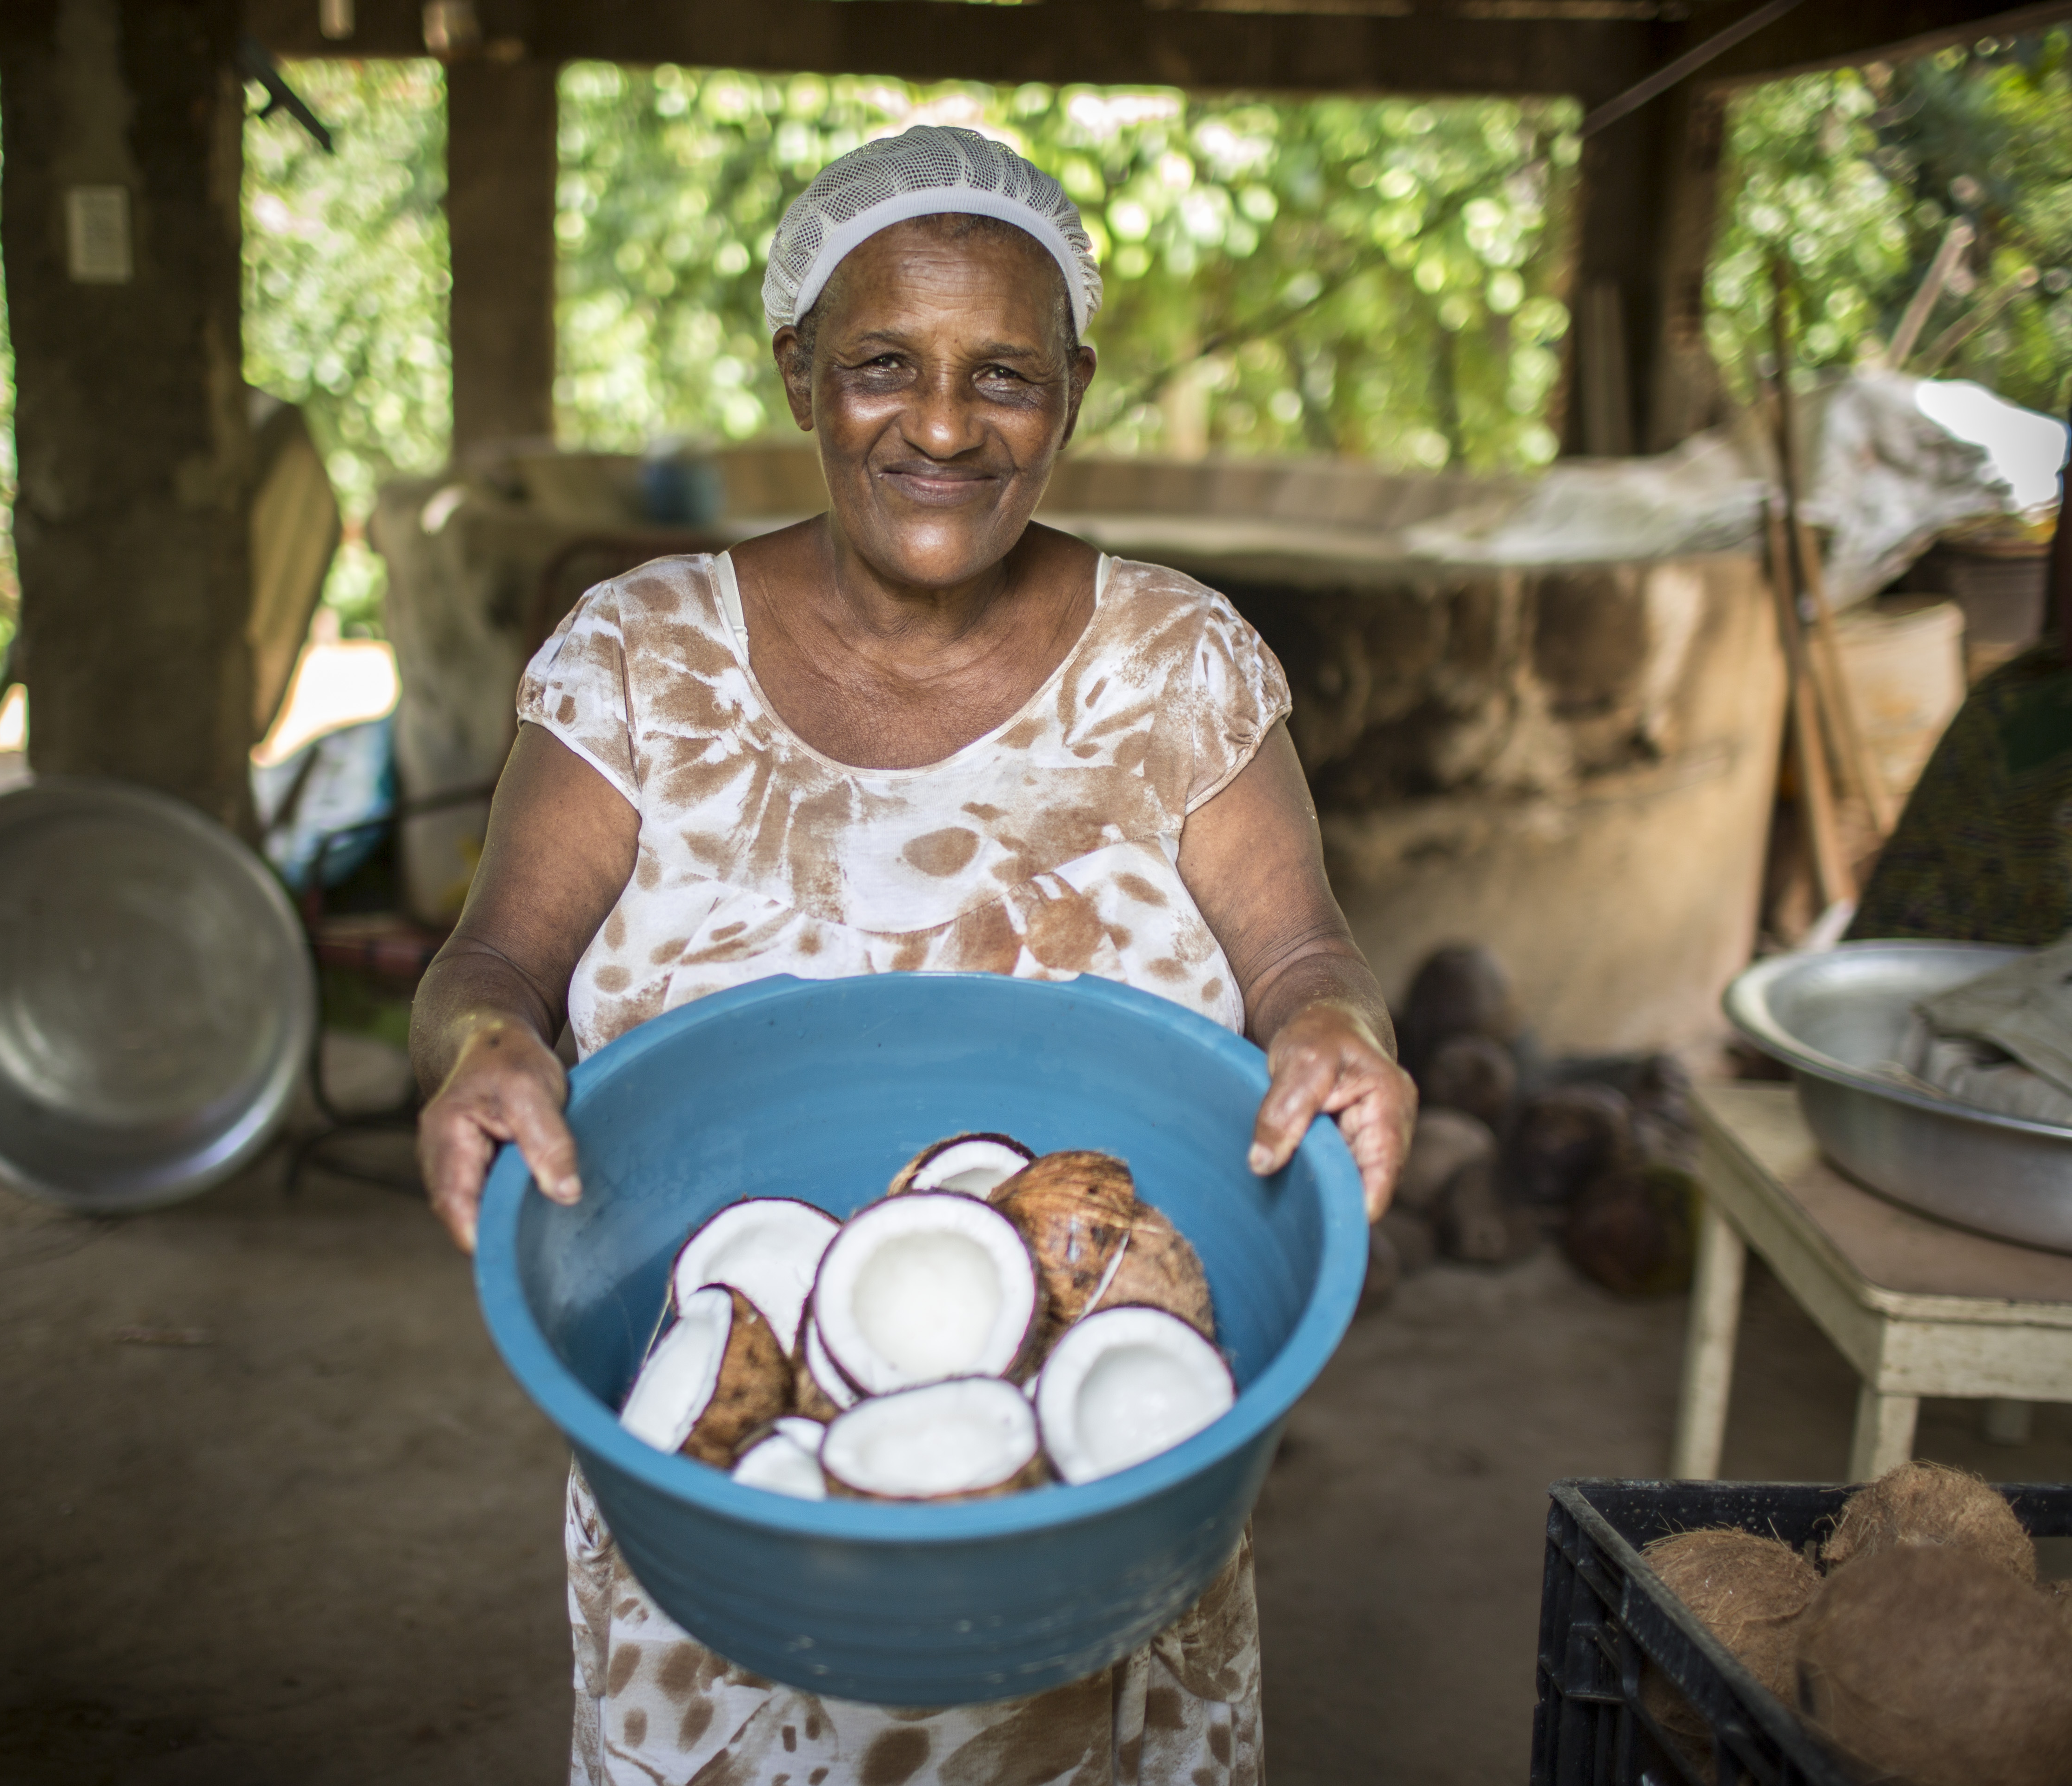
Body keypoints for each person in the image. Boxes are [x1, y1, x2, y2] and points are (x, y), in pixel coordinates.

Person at [410, 124, 1415, 1786]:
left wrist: (1334, 1030)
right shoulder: (642, 665)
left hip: (1102, 1513)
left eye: (1005, 375)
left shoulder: (1177, 667)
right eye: (885, 364)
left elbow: (1308, 955)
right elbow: (489, 970)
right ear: (799, 371)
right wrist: (481, 1053)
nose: (945, 425)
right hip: (733, 1509)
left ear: (1073, 391)